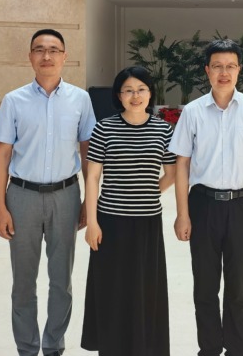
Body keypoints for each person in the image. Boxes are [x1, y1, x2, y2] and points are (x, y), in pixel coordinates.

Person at [0, 29, 96, 356]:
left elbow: (88, 153)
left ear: (64, 56)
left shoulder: (80, 100)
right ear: (30, 57)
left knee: (61, 280)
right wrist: (0, 206)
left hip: (66, 195)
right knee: (23, 281)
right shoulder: (13, 100)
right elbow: (1, 156)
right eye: (39, 49)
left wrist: (88, 202)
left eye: (53, 50)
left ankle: (53, 345)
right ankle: (26, 347)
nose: (46, 56)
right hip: (21, 196)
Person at [170, 38, 243, 356]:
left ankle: (238, 349)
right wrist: (182, 214)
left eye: (230, 66)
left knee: (239, 287)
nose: (224, 72)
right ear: (207, 70)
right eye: (217, 66)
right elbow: (182, 164)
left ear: (239, 70)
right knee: (205, 286)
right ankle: (210, 349)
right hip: (203, 205)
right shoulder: (192, 112)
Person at [81, 66, 176, 355]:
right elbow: (93, 177)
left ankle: (143, 347)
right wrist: (92, 222)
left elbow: (171, 174)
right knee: (112, 288)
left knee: (145, 288)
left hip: (147, 222)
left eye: (141, 89)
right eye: (128, 90)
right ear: (119, 95)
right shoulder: (104, 128)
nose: (136, 96)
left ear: (150, 93)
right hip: (110, 222)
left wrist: (147, 193)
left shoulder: (163, 130)